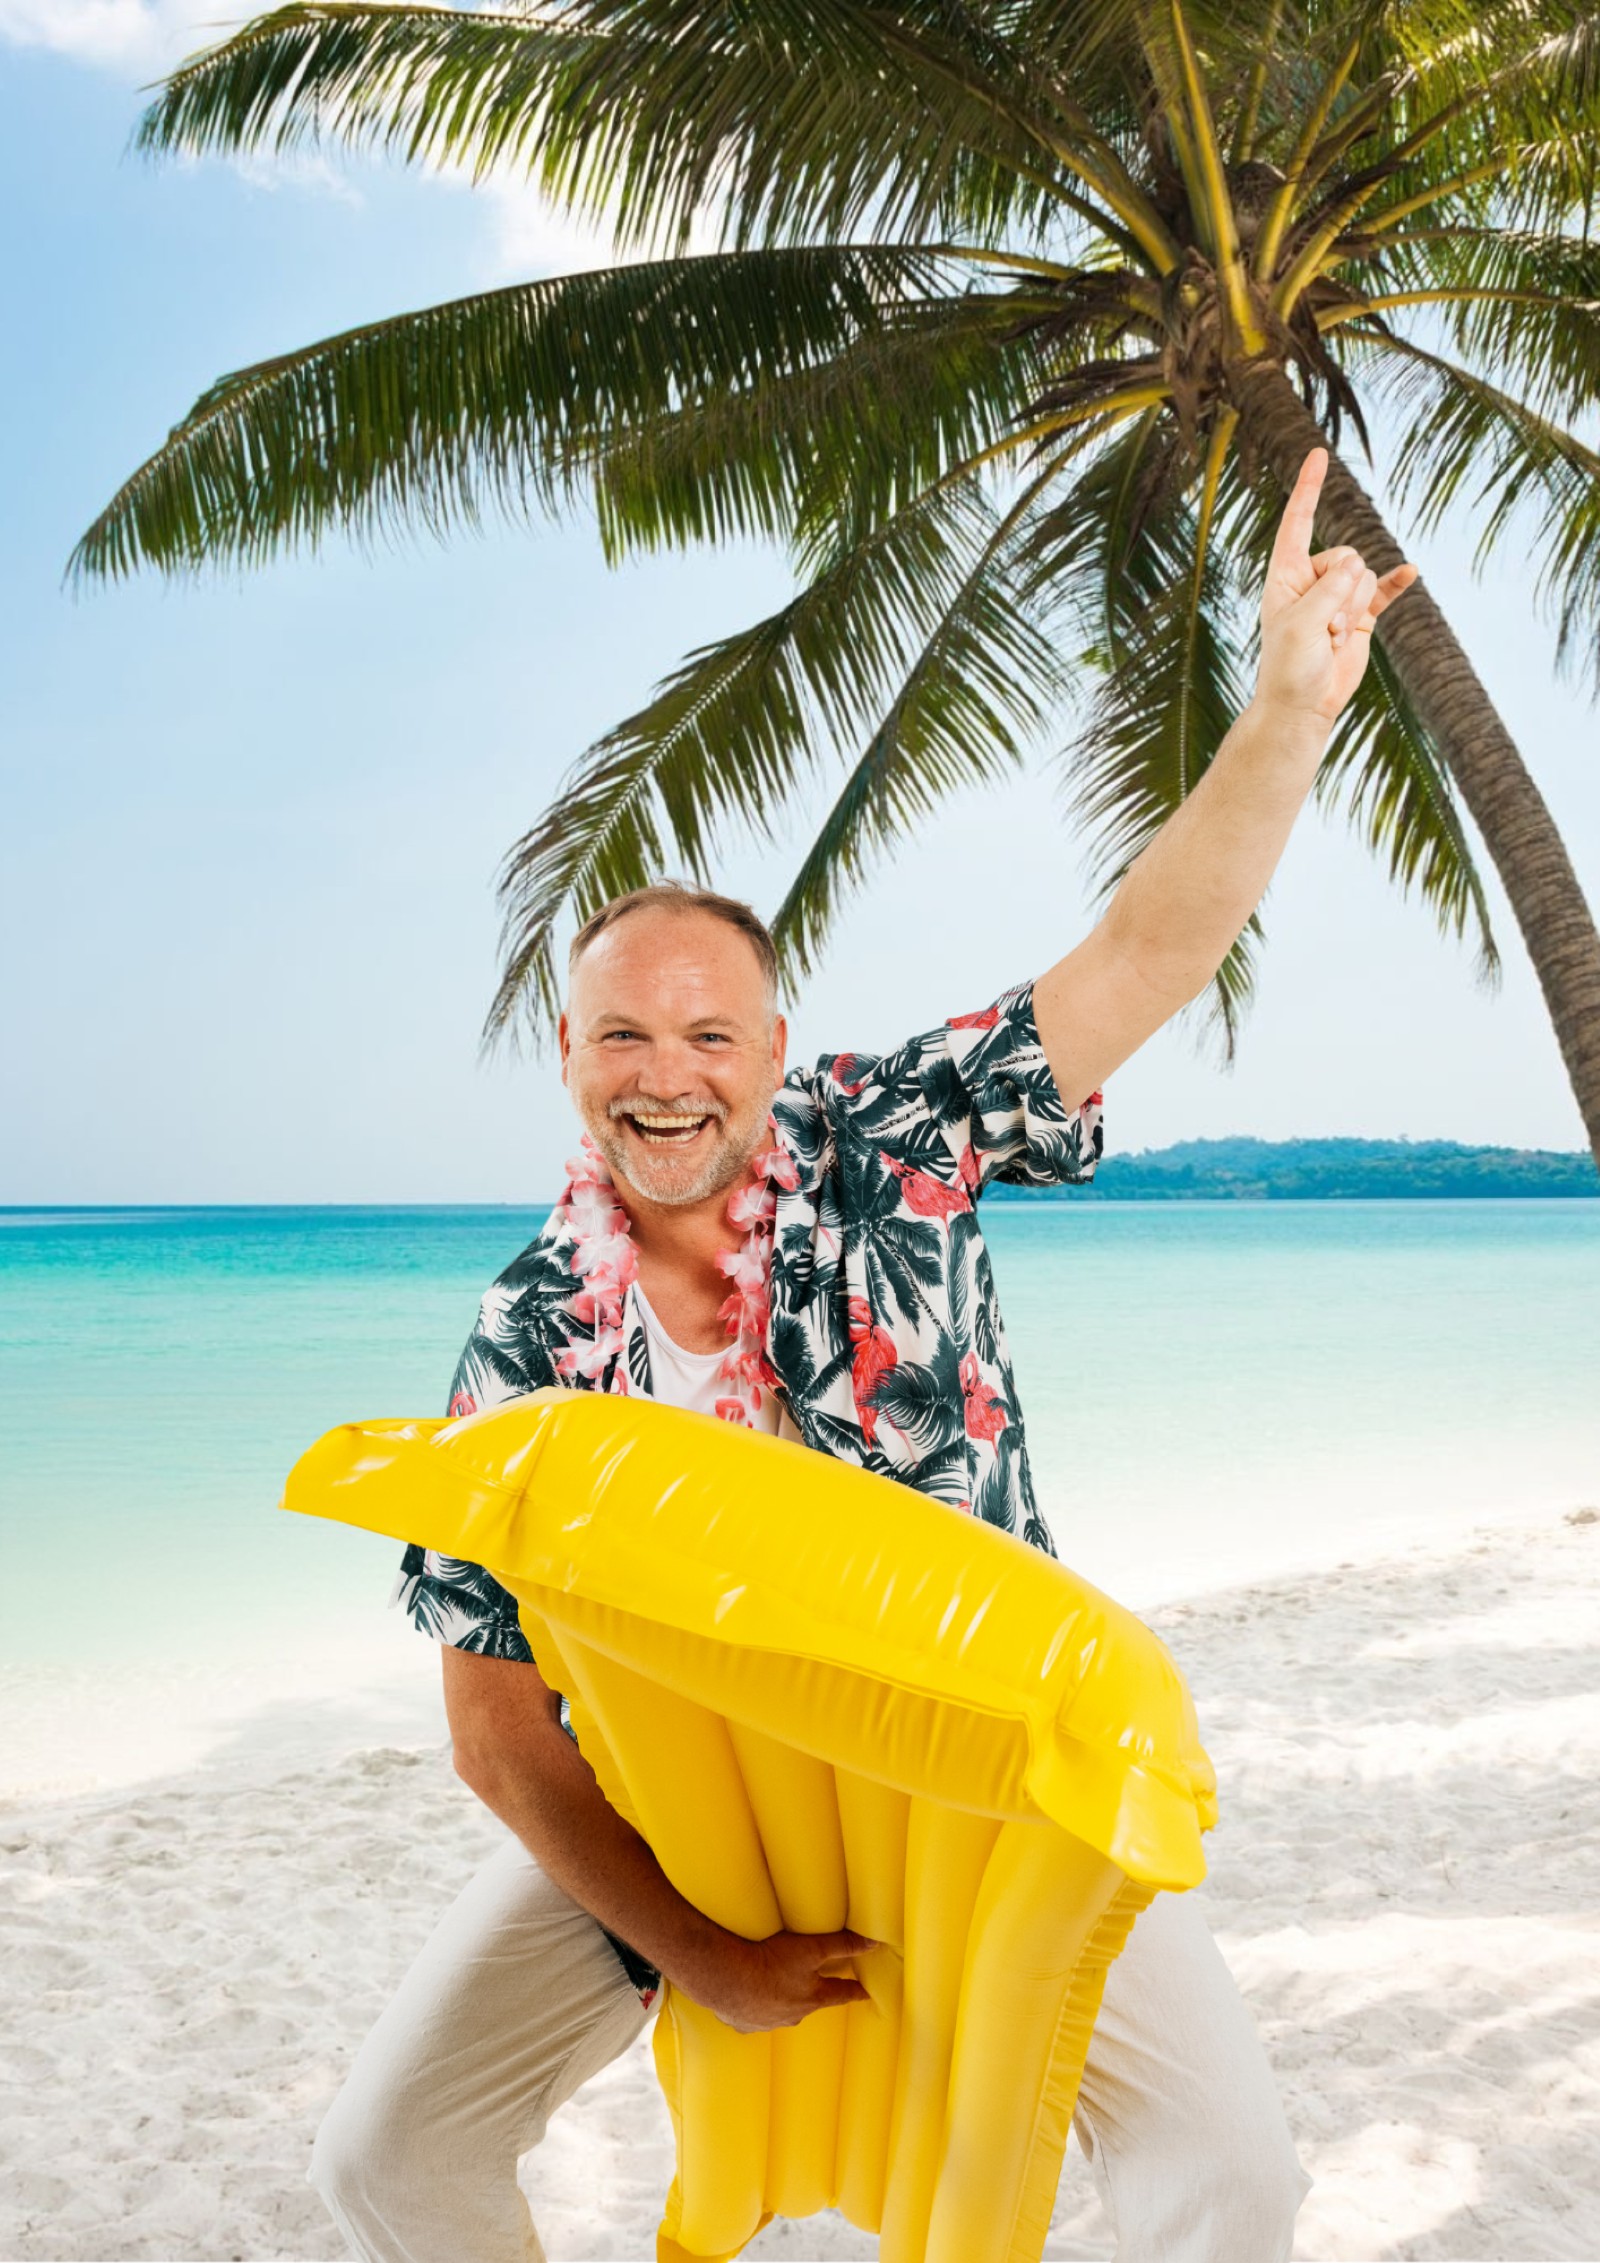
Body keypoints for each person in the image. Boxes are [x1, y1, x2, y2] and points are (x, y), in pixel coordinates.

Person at [308, 446, 1416, 2262]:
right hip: (687, 1818)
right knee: (386, 2158)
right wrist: (697, 1954)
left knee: (1233, 2180)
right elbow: (498, 1730)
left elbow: (1142, 951)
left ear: (774, 1045)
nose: (667, 1074)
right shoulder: (526, 1333)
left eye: (709, 1032)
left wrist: (1288, 712)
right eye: (621, 1037)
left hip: (995, 1774)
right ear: (568, 1057)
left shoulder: (884, 1142)